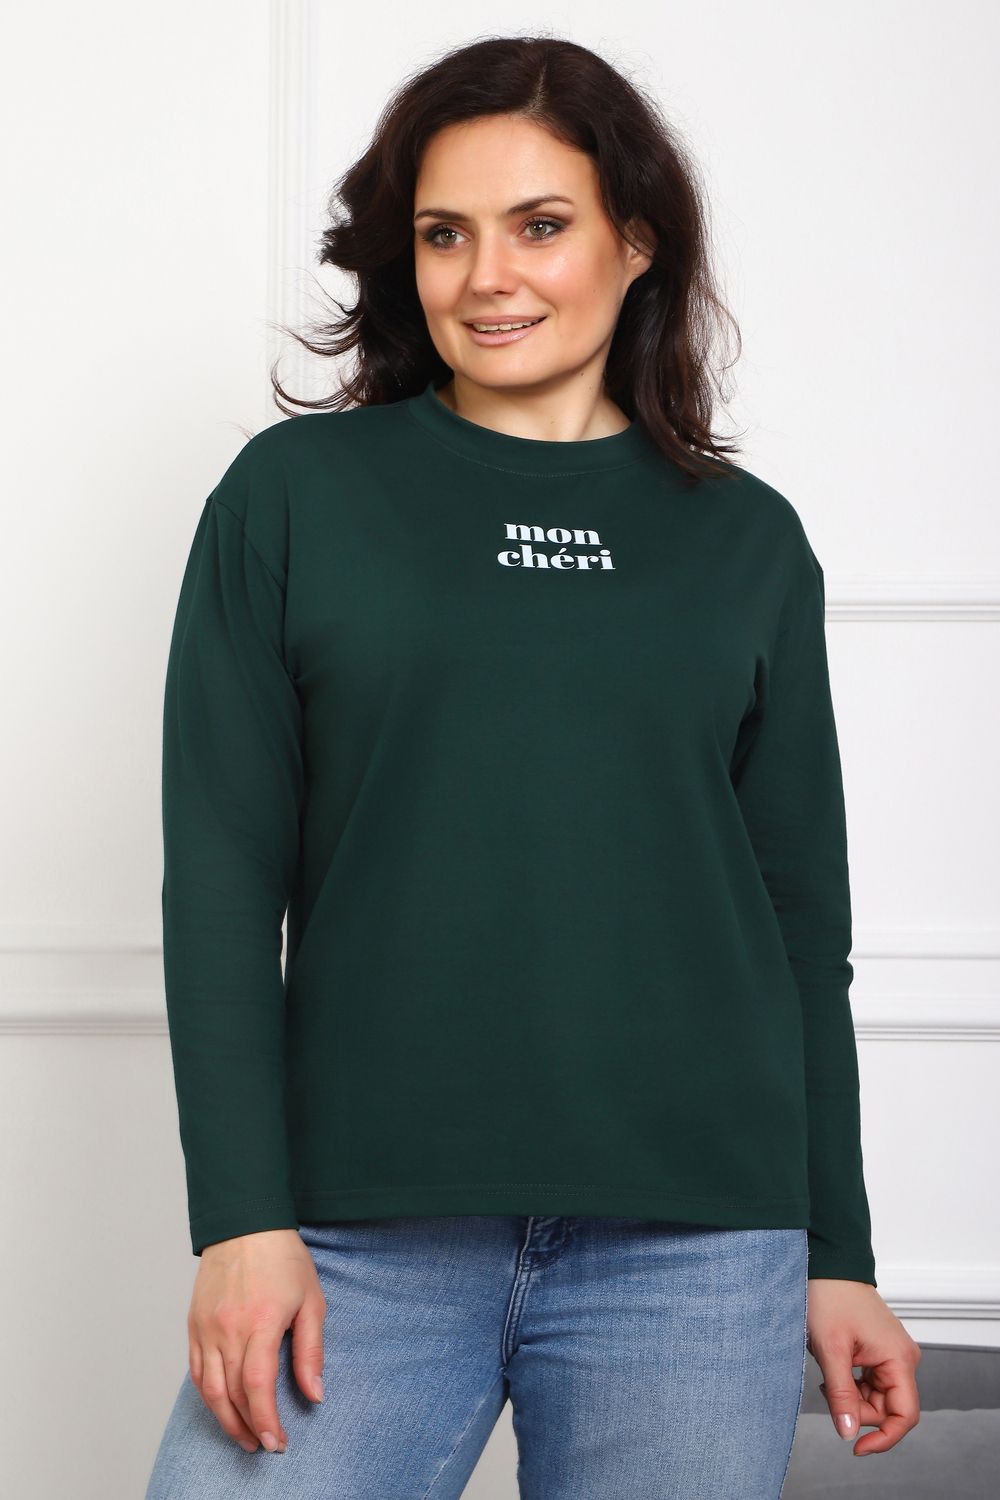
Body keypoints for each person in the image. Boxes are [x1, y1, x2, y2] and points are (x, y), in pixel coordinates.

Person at [145, 34, 921, 1500]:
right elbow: (222, 884)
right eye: (445, 233)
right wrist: (239, 1221)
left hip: (699, 1250)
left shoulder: (747, 542)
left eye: (540, 225)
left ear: (639, 240)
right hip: (357, 1237)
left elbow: (798, 930)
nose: (486, 276)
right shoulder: (294, 498)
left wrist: (839, 1252)